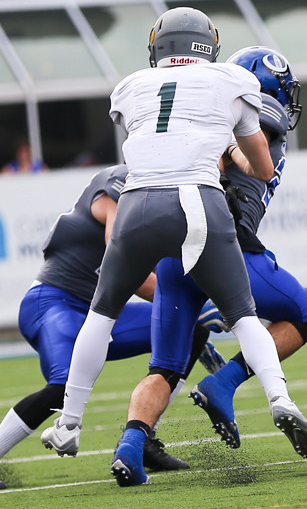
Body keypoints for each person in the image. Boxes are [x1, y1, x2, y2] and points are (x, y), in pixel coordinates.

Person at [38, 7, 307, 487]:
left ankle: (89, 431)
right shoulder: (235, 89)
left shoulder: (133, 85)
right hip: (205, 220)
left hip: (139, 211)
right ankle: (276, 399)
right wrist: (234, 150)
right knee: (268, 315)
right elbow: (257, 167)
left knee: (122, 333)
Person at [0, 164, 218, 490]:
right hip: (55, 303)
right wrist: (187, 311)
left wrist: (183, 323)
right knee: (63, 386)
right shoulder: (119, 183)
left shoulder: (162, 193)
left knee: (194, 330)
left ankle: (143, 437)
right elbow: (122, 264)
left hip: (96, 312)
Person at [151, 45, 307, 451]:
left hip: (176, 245)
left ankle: (135, 442)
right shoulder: (252, 115)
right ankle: (227, 385)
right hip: (226, 241)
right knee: (305, 314)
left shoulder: (238, 119)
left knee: (167, 364)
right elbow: (231, 142)